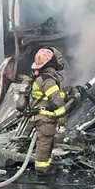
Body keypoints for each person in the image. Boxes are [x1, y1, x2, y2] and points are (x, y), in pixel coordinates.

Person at [27, 47, 71, 175]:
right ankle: (41, 169)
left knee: (48, 142)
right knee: (44, 143)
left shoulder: (44, 79)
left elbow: (55, 96)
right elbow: (56, 100)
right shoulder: (48, 80)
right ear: (52, 62)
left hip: (44, 117)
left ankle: (46, 165)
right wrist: (62, 117)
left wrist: (68, 94)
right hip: (45, 118)